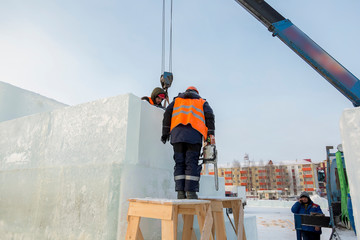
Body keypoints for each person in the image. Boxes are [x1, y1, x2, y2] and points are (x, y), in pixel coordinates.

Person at [161, 86, 215, 199]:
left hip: (177, 136)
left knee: (179, 163)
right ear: (196, 93)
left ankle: (180, 193)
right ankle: (191, 193)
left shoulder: (177, 100)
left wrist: (165, 132)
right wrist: (210, 135)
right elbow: (210, 116)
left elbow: (167, 114)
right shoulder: (201, 102)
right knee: (191, 163)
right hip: (194, 136)